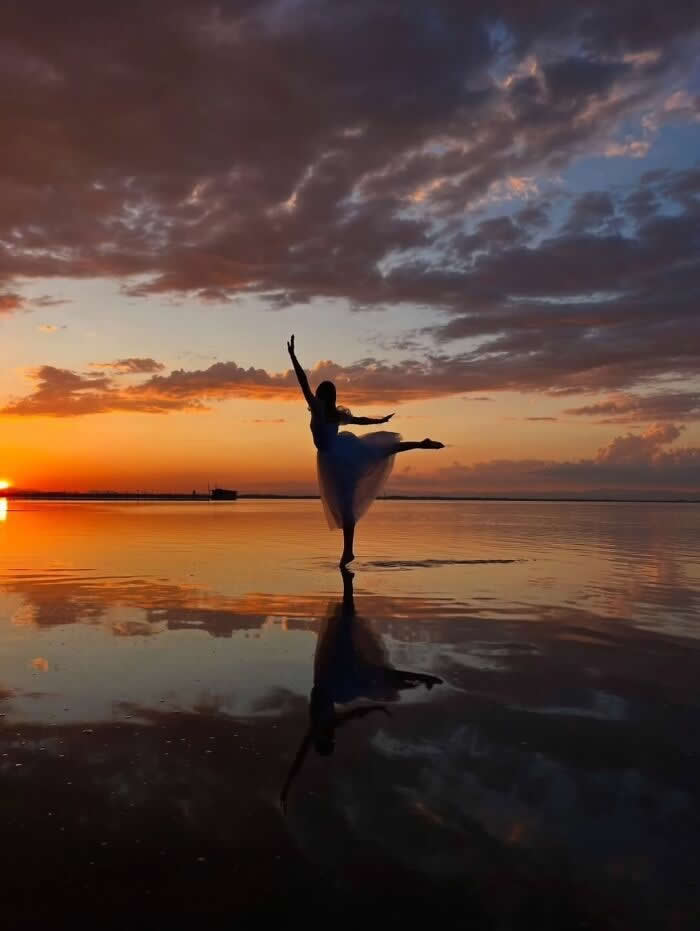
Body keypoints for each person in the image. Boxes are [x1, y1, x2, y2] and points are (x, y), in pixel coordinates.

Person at [280, 567, 442, 812]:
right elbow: (352, 715)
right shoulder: (329, 725)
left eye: (327, 741)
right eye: (330, 740)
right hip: (334, 681)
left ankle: (422, 678)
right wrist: (375, 708)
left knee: (372, 670)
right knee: (374, 674)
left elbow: (299, 760)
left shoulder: (315, 729)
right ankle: (423, 678)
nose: (330, 737)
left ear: (321, 741)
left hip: (330, 678)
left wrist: (287, 788)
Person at [287, 334, 444, 567]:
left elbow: (302, 382)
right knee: (382, 451)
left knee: (349, 499)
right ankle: (420, 443)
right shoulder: (334, 413)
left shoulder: (320, 410)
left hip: (334, 458)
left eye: (318, 394)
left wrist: (293, 356)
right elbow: (359, 420)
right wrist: (379, 422)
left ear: (321, 396)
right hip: (339, 452)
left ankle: (348, 552)